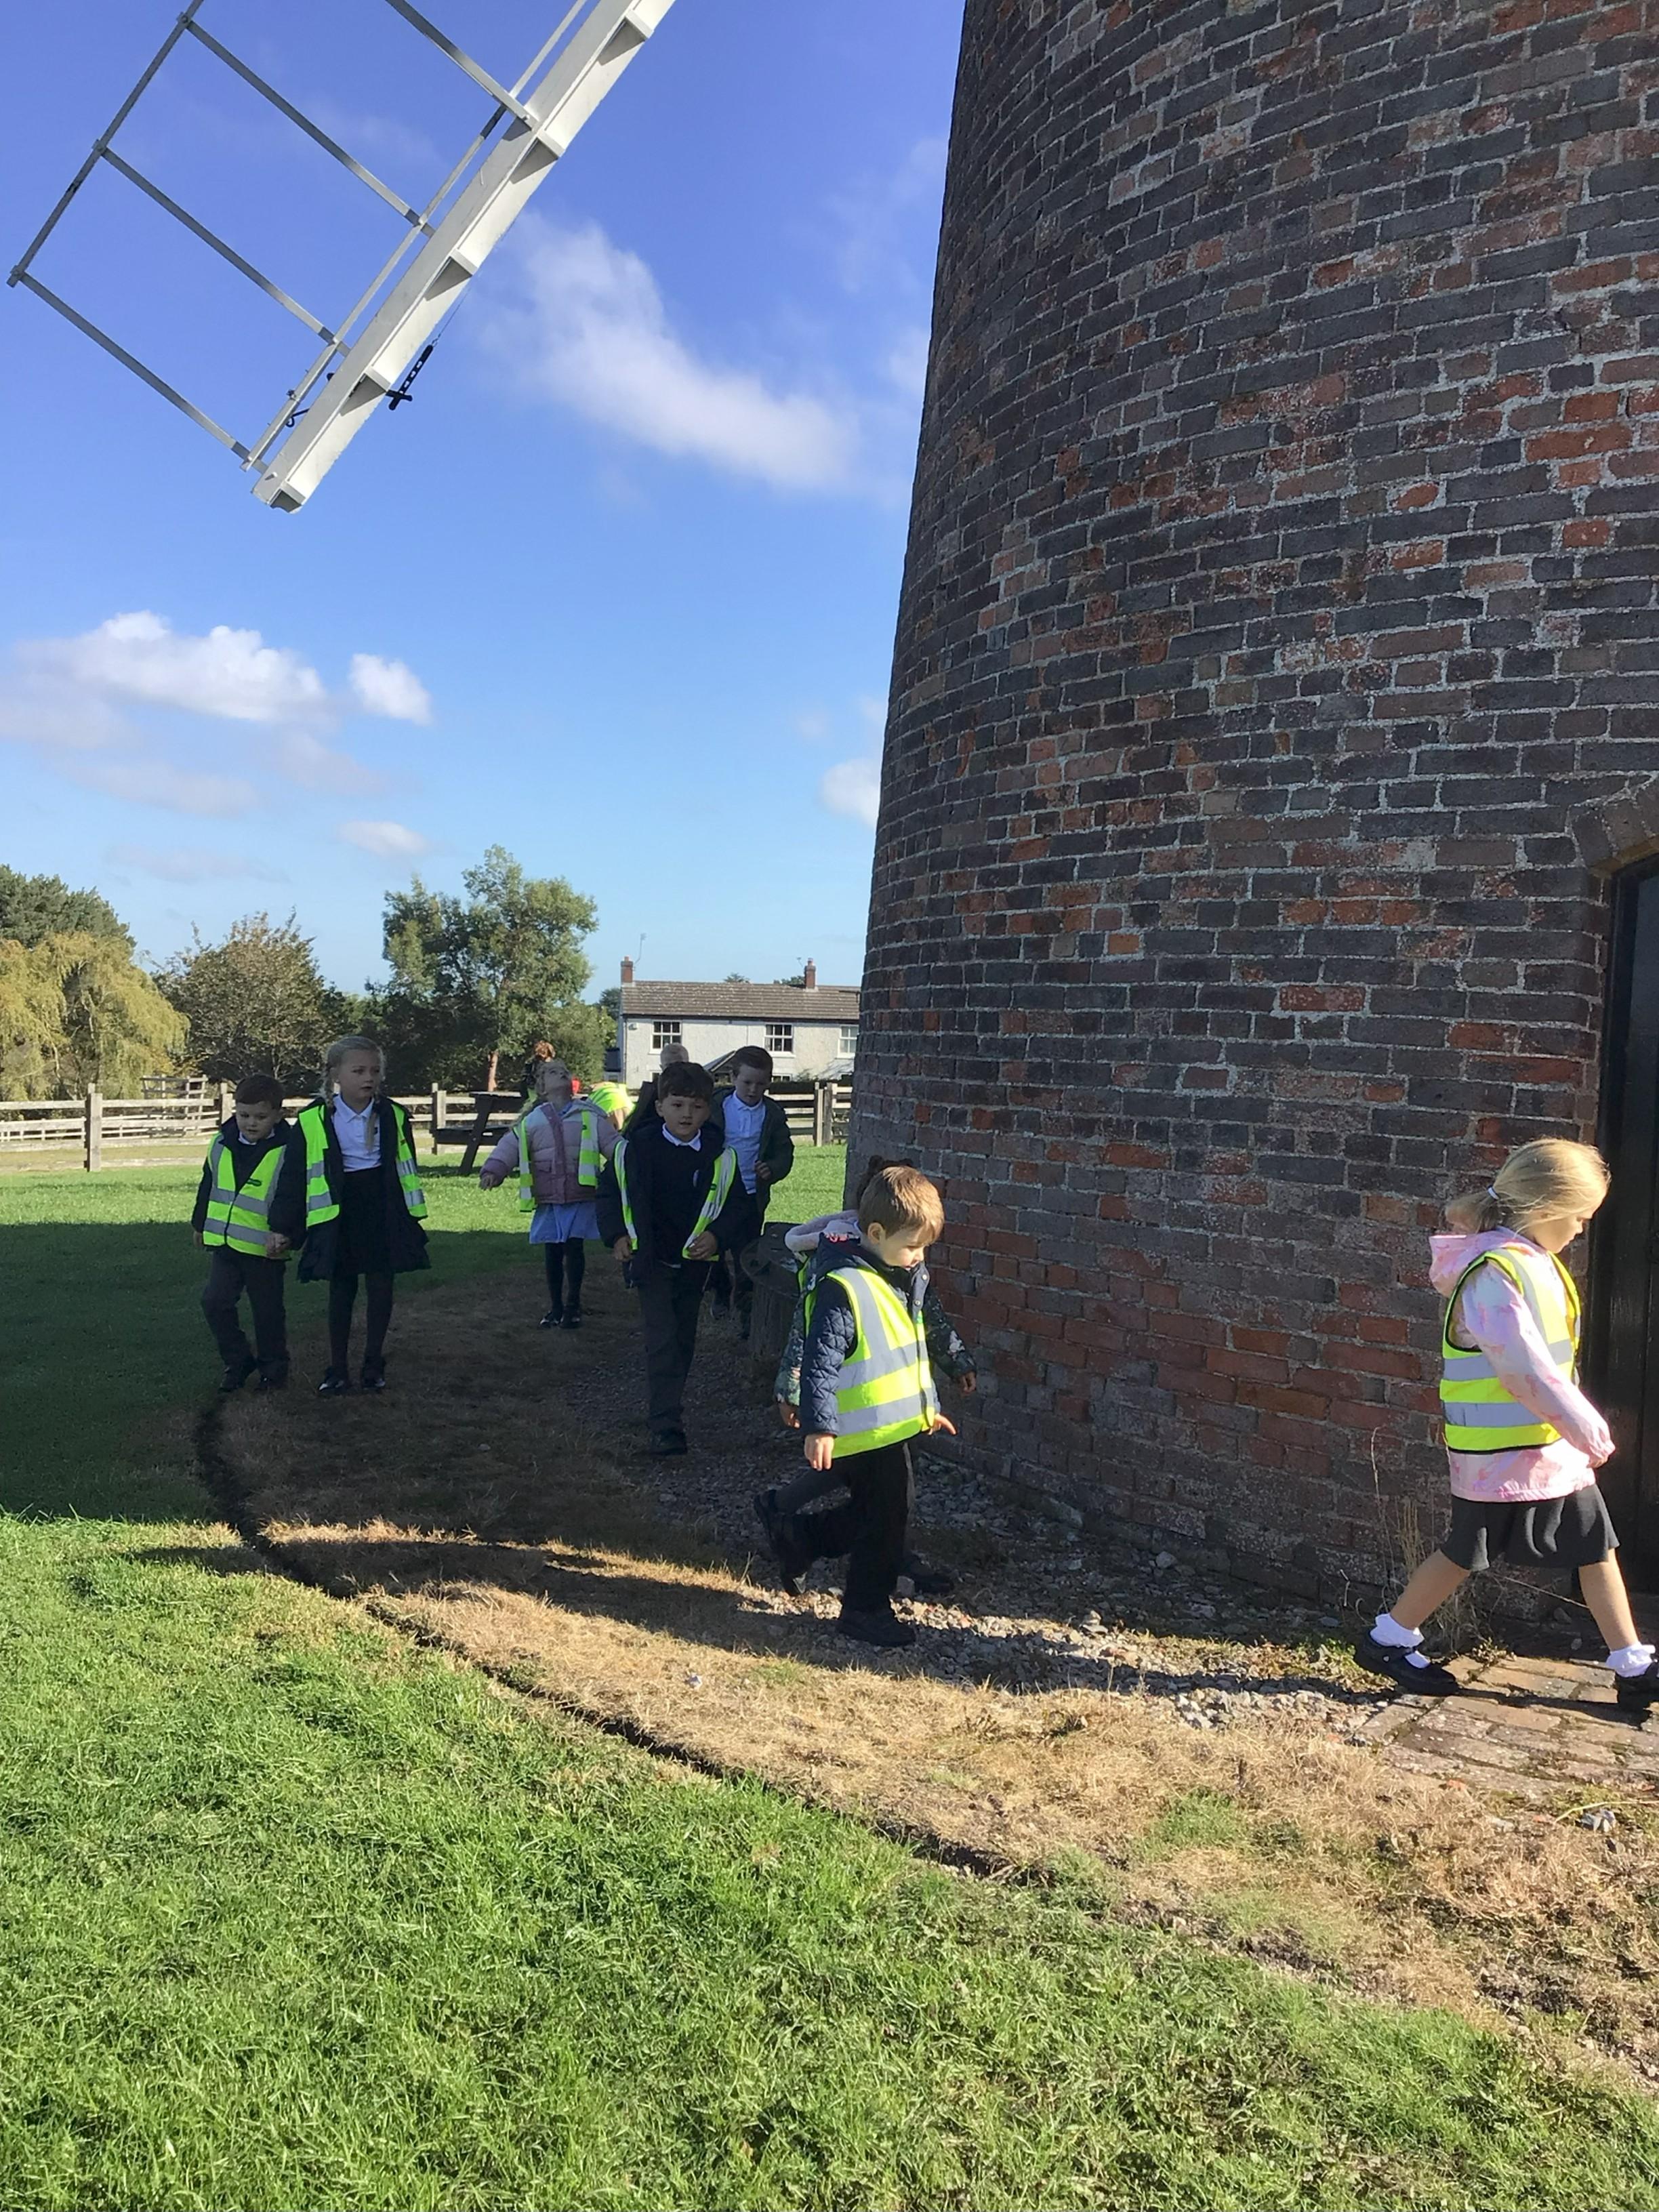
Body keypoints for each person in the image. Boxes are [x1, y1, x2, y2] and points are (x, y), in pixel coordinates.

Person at [1356, 1138, 1658, 1708]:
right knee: (1465, 1550)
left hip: (1546, 1447)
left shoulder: (1530, 1263)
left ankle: (1632, 1663)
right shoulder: (1494, 1274)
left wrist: (1572, 1431)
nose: (1581, 1230)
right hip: (1500, 1454)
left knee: (1595, 1545)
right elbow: (1522, 1368)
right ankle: (1388, 1638)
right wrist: (1587, 1428)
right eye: (1579, 1217)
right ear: (1547, 1207)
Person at [755, 1158, 977, 1598]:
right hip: (854, 1422)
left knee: (886, 1507)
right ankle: (848, 1582)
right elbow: (813, 1347)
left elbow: (915, 1338)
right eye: (914, 1246)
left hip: (885, 1420)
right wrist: (807, 1409)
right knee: (881, 1507)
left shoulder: (904, 1272)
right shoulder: (842, 1280)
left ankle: (802, 1536)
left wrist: (934, 1390)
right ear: (875, 1231)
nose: (920, 1256)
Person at [595, 1059, 758, 1456]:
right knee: (662, 1339)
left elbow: (739, 1207)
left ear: (708, 1110)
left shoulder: (721, 1157)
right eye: (678, 1105)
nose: (687, 1114)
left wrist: (717, 1237)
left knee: (683, 1340)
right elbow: (609, 1195)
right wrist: (616, 1235)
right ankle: (665, 1425)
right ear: (660, 1107)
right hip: (650, 1261)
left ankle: (670, 1403)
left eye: (697, 1107)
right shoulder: (634, 1151)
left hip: (694, 1265)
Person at [292, 1036, 429, 1395]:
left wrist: (408, 1214)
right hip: (340, 1210)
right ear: (335, 1075)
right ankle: (337, 1368)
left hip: (382, 1207)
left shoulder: (394, 1115)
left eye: (375, 1071)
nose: (369, 1078)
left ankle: (373, 1363)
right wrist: (283, 1226)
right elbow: (294, 1176)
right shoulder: (313, 1119)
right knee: (342, 1288)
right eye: (359, 1071)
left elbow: (405, 1165)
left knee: (381, 1285)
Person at [478, 1057, 617, 1329]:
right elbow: (509, 1147)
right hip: (548, 1197)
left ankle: (573, 1305)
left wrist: (628, 1162)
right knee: (552, 1252)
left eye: (565, 1071)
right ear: (542, 1087)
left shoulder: (590, 1115)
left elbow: (612, 1143)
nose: (562, 1074)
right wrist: (494, 1170)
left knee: (574, 1248)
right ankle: (556, 1307)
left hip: (580, 1193)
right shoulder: (533, 1121)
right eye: (553, 1072)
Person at [192, 1071, 300, 1393]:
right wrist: (200, 1223)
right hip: (226, 1245)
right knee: (214, 1303)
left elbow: (294, 1196)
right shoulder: (220, 1143)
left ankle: (273, 1371)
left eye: (260, 1117)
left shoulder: (289, 1150)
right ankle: (238, 1361)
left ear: (278, 1115)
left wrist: (285, 1232)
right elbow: (208, 1184)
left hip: (265, 1249)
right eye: (244, 1115)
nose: (251, 1123)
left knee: (267, 1313)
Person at [709, 1046, 794, 1336]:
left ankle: (747, 1312)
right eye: (747, 1082)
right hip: (715, 1193)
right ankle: (720, 1290)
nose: (753, 1090)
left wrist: (772, 1169)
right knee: (711, 1251)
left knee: (746, 1255)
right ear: (733, 1077)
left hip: (749, 1195)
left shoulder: (772, 1114)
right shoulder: (716, 1106)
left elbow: (784, 1152)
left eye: (761, 1084)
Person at [622, 1041, 689, 1134]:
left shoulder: (700, 1088)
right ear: (662, 1067)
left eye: (679, 1064)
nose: (674, 1069)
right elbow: (637, 1124)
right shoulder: (651, 1092)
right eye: (669, 1066)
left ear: (688, 1064)